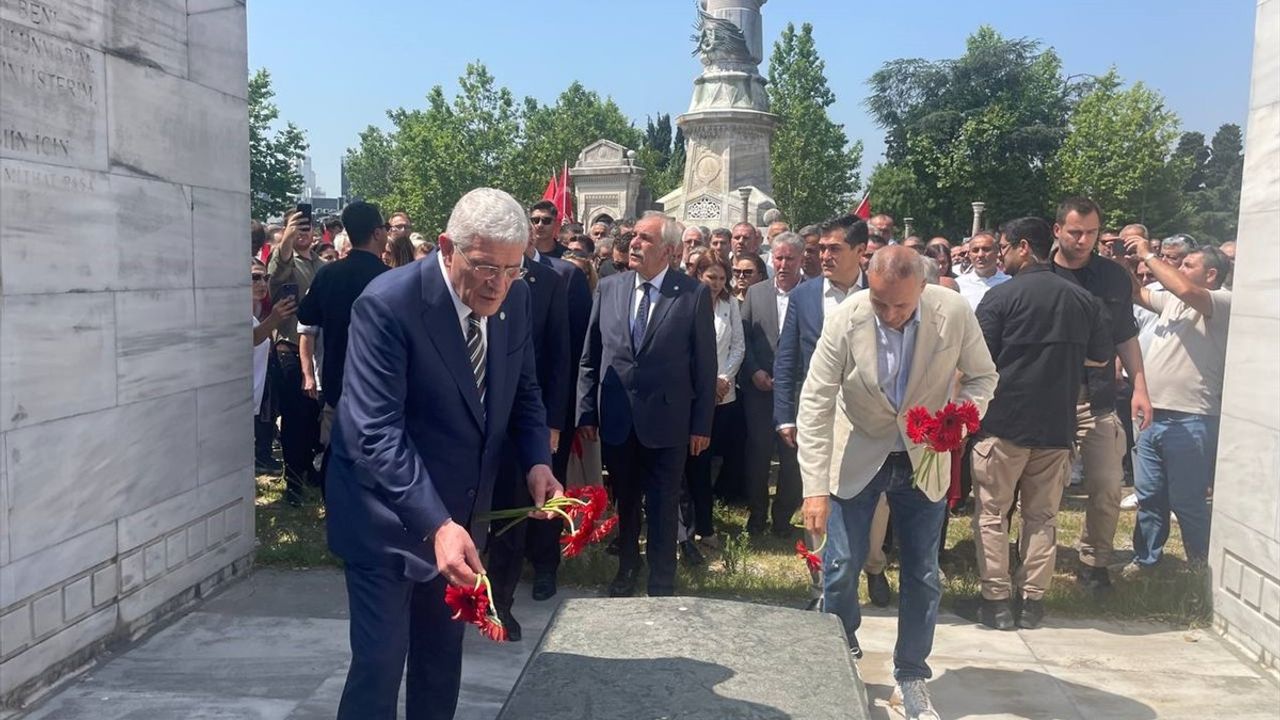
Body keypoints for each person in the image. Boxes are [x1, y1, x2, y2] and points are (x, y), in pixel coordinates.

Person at [324, 188, 563, 720]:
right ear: (447, 247)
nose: (497, 284)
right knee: (381, 664)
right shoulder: (388, 305)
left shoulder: (515, 300)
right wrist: (436, 524)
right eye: (483, 267)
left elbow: (523, 391)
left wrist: (536, 462)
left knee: (440, 659)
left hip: (461, 518)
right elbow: (375, 432)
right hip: (383, 518)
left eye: (511, 269)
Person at [798, 246, 997, 720]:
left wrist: (961, 419)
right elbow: (816, 401)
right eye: (880, 303)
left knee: (923, 573)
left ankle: (911, 676)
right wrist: (814, 487)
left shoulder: (954, 312)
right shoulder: (847, 317)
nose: (888, 315)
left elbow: (984, 377)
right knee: (841, 565)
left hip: (924, 454)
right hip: (858, 449)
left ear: (923, 289)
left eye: (901, 306)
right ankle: (842, 649)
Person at [971, 218, 1110, 631]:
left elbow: (979, 361)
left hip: (1002, 424)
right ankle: (1032, 602)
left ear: (1023, 247)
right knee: (1042, 517)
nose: (1000, 255)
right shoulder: (1084, 300)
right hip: (1056, 425)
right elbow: (1100, 359)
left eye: (1003, 247)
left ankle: (995, 601)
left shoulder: (999, 299)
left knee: (992, 514)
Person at [577, 211, 717, 598]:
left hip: (669, 421)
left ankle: (661, 578)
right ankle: (626, 566)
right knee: (625, 500)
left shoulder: (692, 294)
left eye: (645, 239)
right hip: (619, 418)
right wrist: (586, 410)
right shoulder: (610, 288)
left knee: (662, 503)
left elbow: (705, 367)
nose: (634, 243)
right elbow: (591, 354)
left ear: (670, 251)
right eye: (633, 236)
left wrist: (701, 425)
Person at [774, 218, 892, 608]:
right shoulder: (805, 296)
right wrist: (785, 415)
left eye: (834, 249)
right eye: (821, 248)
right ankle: (821, 585)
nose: (823, 255)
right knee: (817, 495)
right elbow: (787, 359)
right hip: (819, 415)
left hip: (871, 419)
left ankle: (873, 565)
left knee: (875, 500)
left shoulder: (882, 292)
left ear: (861, 253)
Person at [1049, 197, 1153, 591]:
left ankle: (1095, 561)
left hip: (1099, 398)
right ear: (1057, 230)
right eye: (1076, 232)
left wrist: (1140, 387)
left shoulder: (1112, 276)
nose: (1083, 240)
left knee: (1108, 484)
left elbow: (1125, 334)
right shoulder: (1041, 274)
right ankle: (1034, 558)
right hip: (1049, 397)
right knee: (1043, 490)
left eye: (1091, 232)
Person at [1125, 238, 1232, 572]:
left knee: (1188, 501)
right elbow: (1137, 294)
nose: (1178, 269)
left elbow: (1187, 292)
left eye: (1188, 265)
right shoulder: (1172, 301)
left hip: (1192, 417)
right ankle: (1147, 562)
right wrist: (1126, 265)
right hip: (1151, 414)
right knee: (1150, 497)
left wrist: (1148, 255)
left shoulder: (1222, 301)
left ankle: (1202, 567)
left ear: (1211, 275)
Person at [485, 227, 572, 642]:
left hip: (515, 427)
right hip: (462, 434)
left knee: (512, 520)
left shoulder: (540, 286)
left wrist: (546, 428)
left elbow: (554, 357)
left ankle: (501, 603)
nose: (502, 280)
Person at [296, 201, 392, 495]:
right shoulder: (391, 278)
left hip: (338, 378)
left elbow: (306, 316)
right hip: (382, 383)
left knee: (337, 449)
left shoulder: (328, 274)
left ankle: (334, 505)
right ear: (378, 233)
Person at [739, 232, 807, 586]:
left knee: (793, 457)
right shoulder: (755, 293)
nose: (782, 265)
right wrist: (753, 371)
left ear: (800, 260)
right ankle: (756, 516)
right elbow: (745, 337)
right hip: (760, 389)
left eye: (789, 260)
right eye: (778, 259)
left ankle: (783, 519)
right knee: (758, 455)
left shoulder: (811, 294)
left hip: (797, 392)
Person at [683, 250, 744, 556]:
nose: (717, 284)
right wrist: (706, 385)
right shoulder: (687, 300)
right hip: (692, 396)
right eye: (711, 277)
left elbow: (738, 345)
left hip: (722, 396)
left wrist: (723, 379)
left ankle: (705, 526)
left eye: (722, 278)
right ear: (699, 275)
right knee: (690, 465)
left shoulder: (729, 304)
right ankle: (688, 526)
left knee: (706, 464)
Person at [269, 209, 324, 504]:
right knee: (294, 418)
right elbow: (276, 274)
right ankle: (292, 483)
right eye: (297, 227)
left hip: (318, 352)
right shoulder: (286, 261)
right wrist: (287, 239)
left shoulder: (321, 264)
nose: (304, 232)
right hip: (289, 348)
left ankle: (307, 470)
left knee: (314, 419)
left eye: (308, 226)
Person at [252, 258, 293, 474]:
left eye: (265, 277)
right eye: (254, 277)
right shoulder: (235, 311)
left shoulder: (259, 309)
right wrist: (275, 319)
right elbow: (251, 338)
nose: (262, 283)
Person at [955, 232, 1009, 310]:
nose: (980, 255)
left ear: (997, 252)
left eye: (986, 249)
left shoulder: (1008, 282)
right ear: (969, 254)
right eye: (975, 250)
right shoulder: (958, 284)